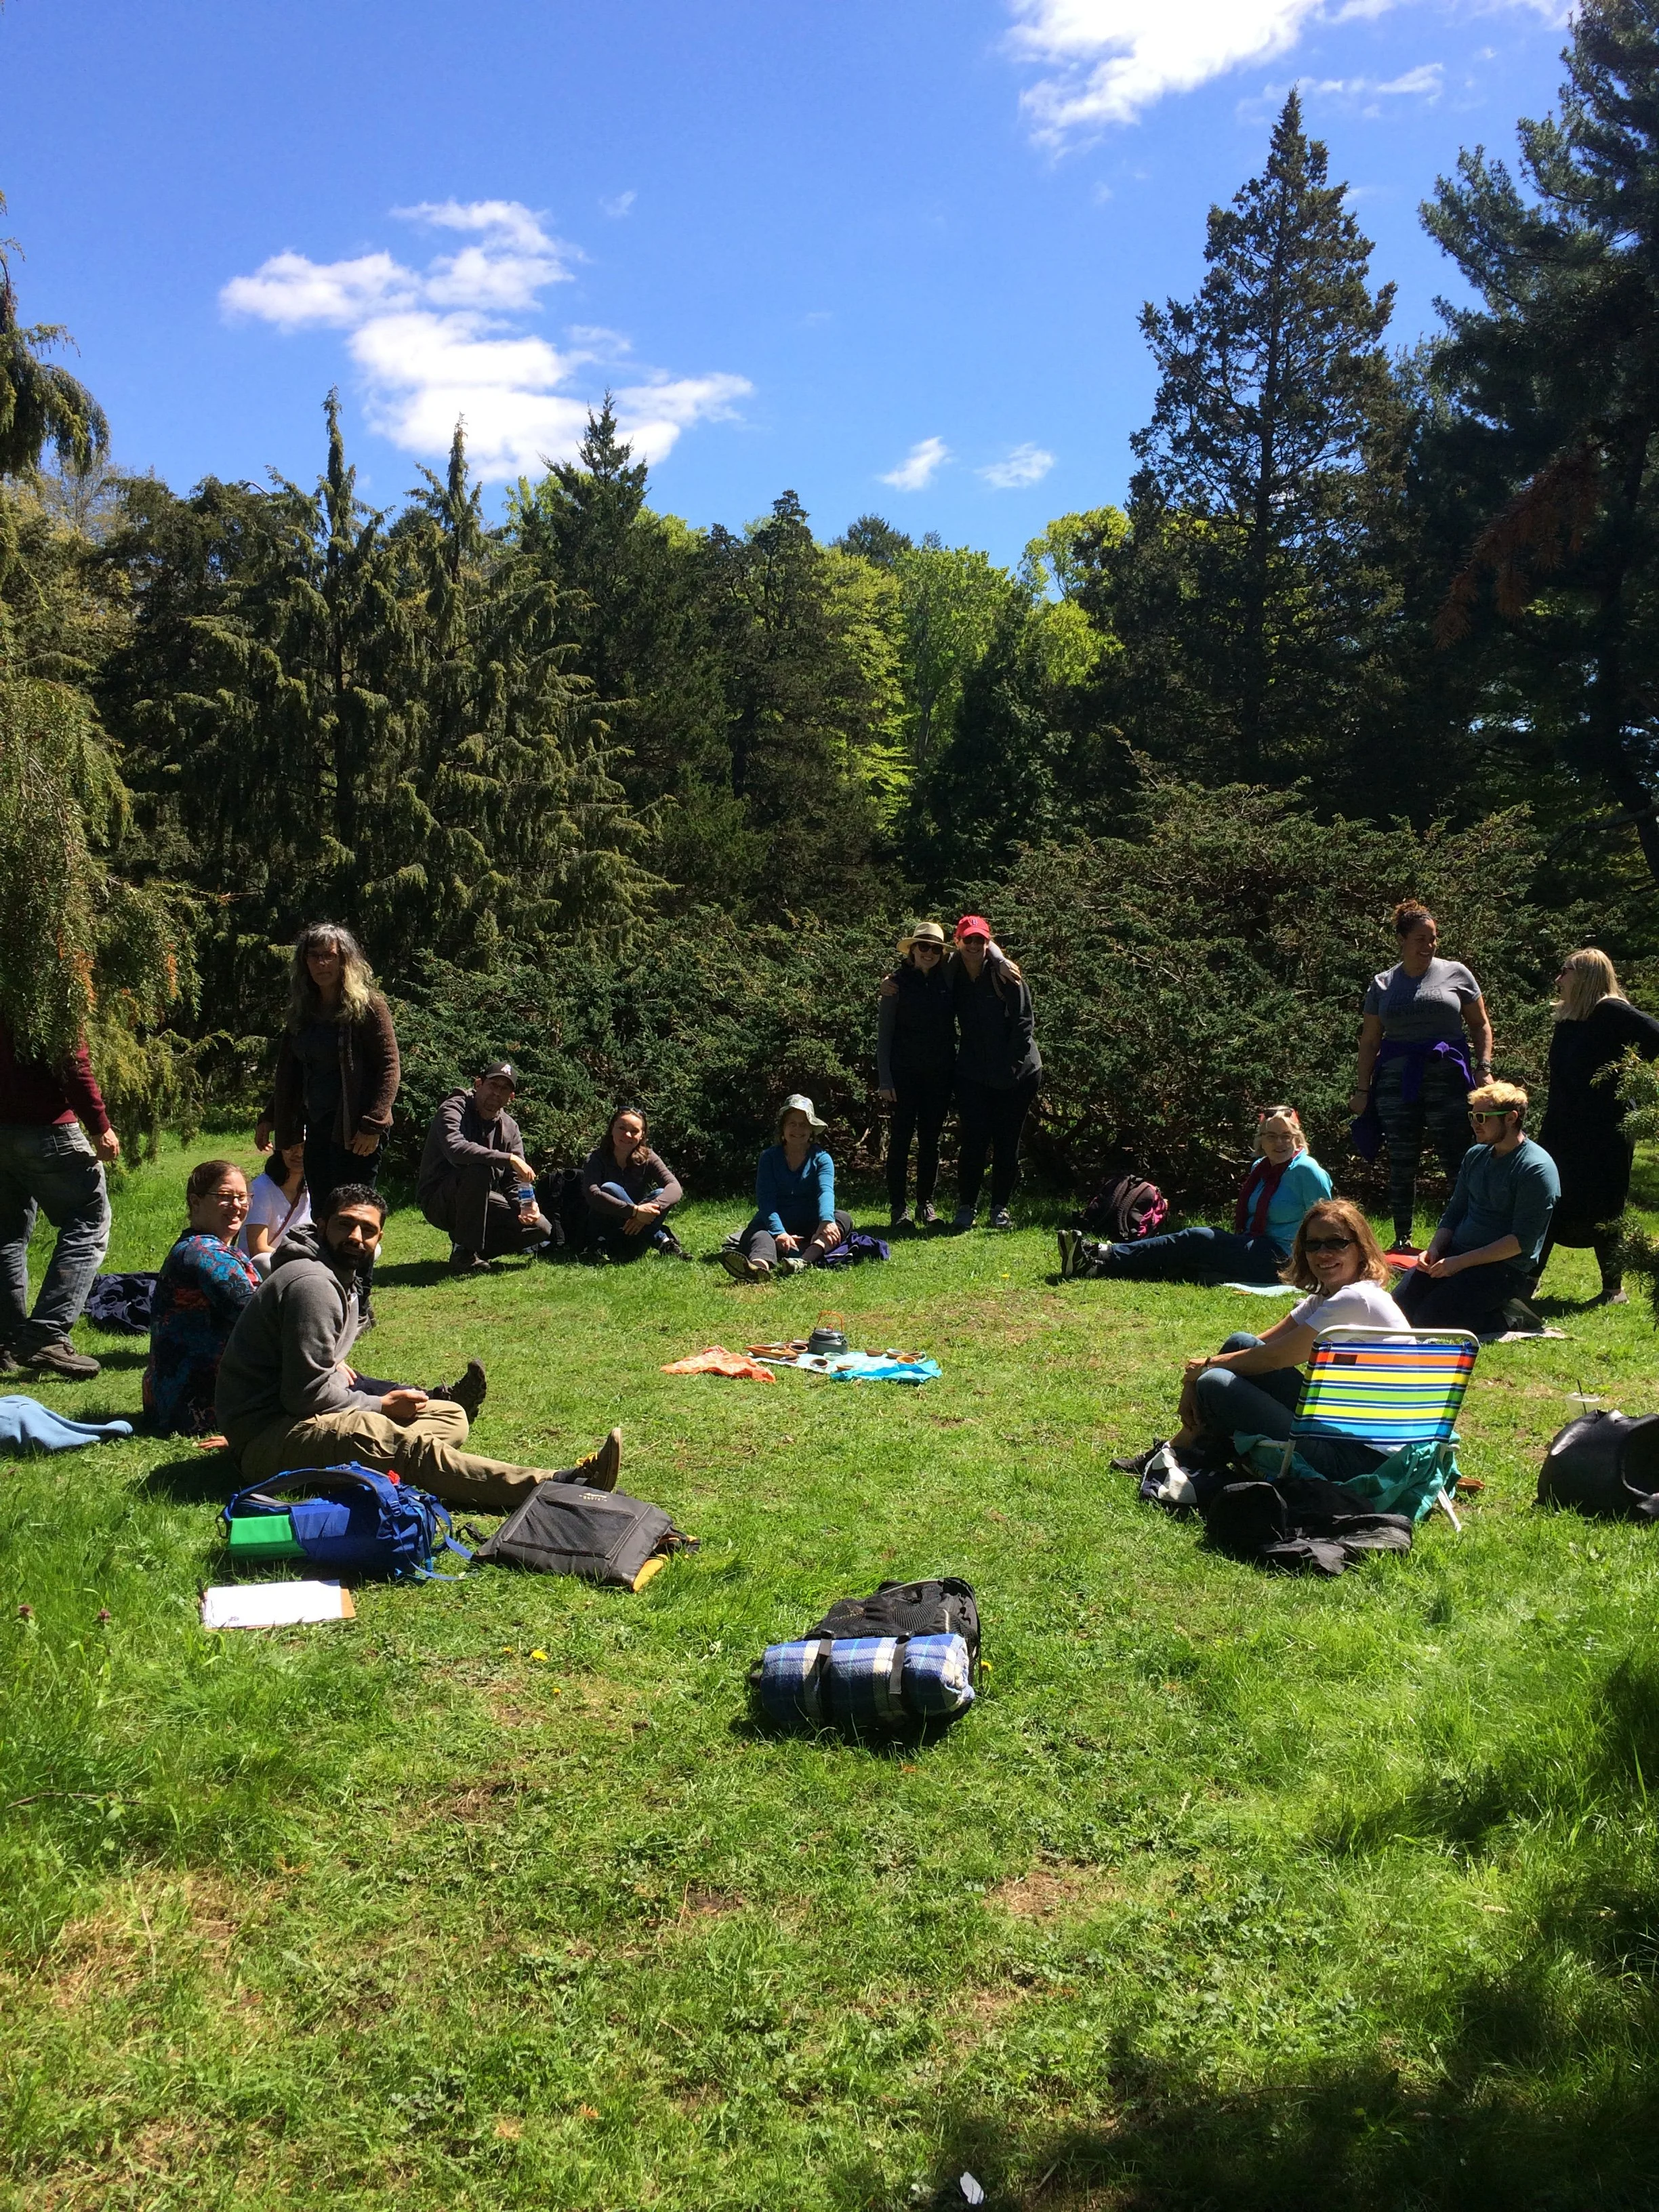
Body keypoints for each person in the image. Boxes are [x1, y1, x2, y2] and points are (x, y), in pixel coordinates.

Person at [216, 1184, 621, 1511]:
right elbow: (304, 1395)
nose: (356, 1237)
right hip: (269, 1437)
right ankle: (559, 1485)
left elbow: (317, 1370)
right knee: (396, 1440)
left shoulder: (338, 1277)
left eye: (368, 1230)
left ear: (379, 1238)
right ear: (321, 1226)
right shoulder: (313, 1284)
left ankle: (389, 1460)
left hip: (294, 1421)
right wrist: (379, 1407)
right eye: (345, 1225)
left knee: (449, 1414)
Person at [1159, 1199, 1414, 1482]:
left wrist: (1203, 1370)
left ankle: (1186, 1449)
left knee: (1215, 1382)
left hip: (1360, 1460)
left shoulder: (1356, 1300)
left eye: (1336, 1243)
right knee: (1239, 1343)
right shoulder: (1332, 1297)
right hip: (1339, 1430)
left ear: (1360, 1247)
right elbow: (1257, 1345)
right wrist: (1198, 1375)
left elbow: (1274, 1358)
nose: (1323, 1253)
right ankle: (1186, 1445)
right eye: (1313, 1245)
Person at [258, 923, 399, 1322]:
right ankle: (330, 1300)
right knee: (325, 1216)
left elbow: (390, 1067)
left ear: (345, 960)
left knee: (358, 1216)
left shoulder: (368, 1006)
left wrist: (373, 1124)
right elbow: (289, 1075)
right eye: (314, 956)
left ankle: (361, 1305)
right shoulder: (302, 1013)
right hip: (318, 1131)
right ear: (305, 963)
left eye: (329, 956)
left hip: (359, 1133)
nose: (321, 963)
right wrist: (272, 1118)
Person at [1350, 900, 1493, 1256]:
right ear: (1401, 939)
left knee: (1455, 1158)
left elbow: (1480, 1025)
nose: (1429, 946)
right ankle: (1401, 1241)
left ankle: (1462, 1236)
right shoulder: (1383, 983)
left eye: (1433, 939)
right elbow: (1370, 1041)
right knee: (1402, 1159)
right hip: (1396, 1084)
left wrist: (1484, 1068)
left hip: (1447, 1079)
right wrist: (1362, 1089)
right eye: (1420, 939)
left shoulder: (1457, 973)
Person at [1061, 1105, 1332, 1284]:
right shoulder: (1261, 1168)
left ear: (1297, 1137)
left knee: (1198, 1238)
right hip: (1254, 1245)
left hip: (1283, 1258)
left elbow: (1330, 1224)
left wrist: (1315, 1271)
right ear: (1261, 1140)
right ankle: (1096, 1264)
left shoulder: (1306, 1171)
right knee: (1188, 1254)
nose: (1279, 1143)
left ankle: (1103, 1253)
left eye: (1286, 1136)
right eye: (1271, 1136)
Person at [1536, 948, 1659, 1305]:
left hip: (1604, 1131)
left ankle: (1612, 1289)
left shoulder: (1611, 1011)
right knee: (1549, 1197)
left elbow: (1654, 1035)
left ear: (1587, 975)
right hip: (1562, 1126)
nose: (1559, 979)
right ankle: (1527, 1280)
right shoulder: (1571, 1017)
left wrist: (1631, 1074)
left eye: (1566, 971)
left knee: (1605, 1204)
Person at [0, 1016, 120, 1380]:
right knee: (88, 1219)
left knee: (6, 1234)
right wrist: (100, 1125)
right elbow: (73, 1062)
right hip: (48, 1128)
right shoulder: (45, 983)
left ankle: (9, 1340)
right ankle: (47, 1334)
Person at [1396, 1080, 1560, 1336]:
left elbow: (1521, 1243)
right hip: (1455, 1255)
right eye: (1472, 1115)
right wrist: (1434, 1250)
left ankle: (1510, 1316)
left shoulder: (1536, 1169)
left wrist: (1459, 1263)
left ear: (1511, 1118)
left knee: (1430, 1319)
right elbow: (1455, 1212)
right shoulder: (1476, 1155)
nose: (1475, 1123)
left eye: (1482, 1117)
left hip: (1502, 1269)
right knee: (1398, 1310)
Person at [143, 1160, 261, 1437]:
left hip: (174, 1401)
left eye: (242, 1197)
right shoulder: (205, 1254)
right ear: (195, 1202)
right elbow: (258, 1318)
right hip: (198, 1406)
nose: (237, 1205)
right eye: (224, 1197)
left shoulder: (208, 1247)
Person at [950, 915, 1041, 1231]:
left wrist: (1010, 1069)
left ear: (988, 943)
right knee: (974, 1139)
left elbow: (1024, 1024)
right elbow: (919, 968)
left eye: (980, 940)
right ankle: (966, 1207)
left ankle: (999, 1208)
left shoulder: (1006, 975)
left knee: (1006, 1141)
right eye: (968, 939)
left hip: (1018, 1072)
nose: (974, 945)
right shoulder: (951, 971)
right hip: (973, 1071)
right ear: (957, 941)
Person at [417, 1060, 552, 1273]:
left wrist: (526, 1205)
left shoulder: (510, 1128)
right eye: (493, 1085)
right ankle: (465, 1251)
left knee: (540, 1227)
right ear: (479, 1084)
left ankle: (471, 1251)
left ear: (511, 1097)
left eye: (504, 1089)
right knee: (478, 1169)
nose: (497, 1093)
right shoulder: (454, 1108)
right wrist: (507, 1158)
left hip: (480, 1200)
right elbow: (456, 1149)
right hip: (439, 1200)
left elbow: (514, 1180)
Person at [876, 920, 956, 1231]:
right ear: (912, 950)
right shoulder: (895, 984)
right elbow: (885, 1036)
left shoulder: (948, 978)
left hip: (939, 1075)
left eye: (935, 948)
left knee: (930, 1142)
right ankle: (899, 1208)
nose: (929, 953)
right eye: (923, 946)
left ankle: (926, 1205)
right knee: (900, 1142)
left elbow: (979, 951)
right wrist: (885, 1080)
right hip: (903, 1076)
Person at [722, 1096, 851, 1281]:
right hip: (774, 1223)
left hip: (810, 1222)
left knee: (842, 1219)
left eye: (804, 1124)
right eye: (792, 1124)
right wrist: (779, 1233)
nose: (798, 1129)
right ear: (783, 1129)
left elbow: (825, 1192)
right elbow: (766, 1201)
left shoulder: (822, 1159)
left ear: (812, 1130)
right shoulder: (769, 1158)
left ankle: (802, 1262)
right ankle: (758, 1268)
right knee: (759, 1235)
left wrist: (826, 1221)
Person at [579, 1108, 687, 1262]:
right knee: (610, 1188)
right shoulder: (596, 1159)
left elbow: (675, 1188)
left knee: (660, 1193)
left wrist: (643, 1215)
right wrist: (635, 1211)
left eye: (634, 1131)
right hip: (605, 1228)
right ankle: (662, 1241)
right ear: (612, 1129)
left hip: (638, 1228)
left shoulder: (648, 1157)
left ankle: (648, 1237)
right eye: (622, 1128)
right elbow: (593, 1195)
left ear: (642, 1135)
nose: (627, 1135)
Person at [240, 1140, 310, 1275]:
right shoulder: (261, 1188)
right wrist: (304, 1262)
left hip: (299, 1267)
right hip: (264, 1270)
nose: (299, 1153)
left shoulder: (312, 1192)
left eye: (304, 1147)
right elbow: (258, 1250)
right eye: (290, 1147)